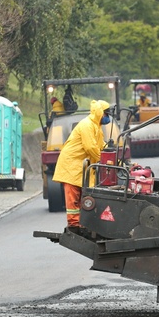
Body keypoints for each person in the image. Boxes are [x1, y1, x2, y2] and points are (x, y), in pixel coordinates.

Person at [53, 100, 111, 235]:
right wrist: (103, 161)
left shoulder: (96, 127)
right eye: (106, 114)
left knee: (83, 197)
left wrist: (115, 159)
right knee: (73, 198)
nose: (107, 117)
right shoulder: (87, 125)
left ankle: (83, 223)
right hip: (71, 165)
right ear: (100, 113)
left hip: (80, 166)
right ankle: (74, 226)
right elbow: (90, 147)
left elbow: (101, 146)